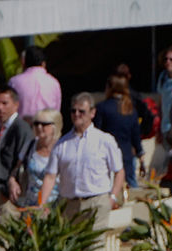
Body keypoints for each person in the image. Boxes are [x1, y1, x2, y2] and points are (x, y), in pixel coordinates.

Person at [39, 93, 125, 230]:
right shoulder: (62, 144)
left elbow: (119, 171)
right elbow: (50, 176)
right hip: (69, 205)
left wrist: (113, 197)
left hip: (96, 203)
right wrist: (42, 204)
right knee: (74, 249)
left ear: (92, 113)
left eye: (81, 111)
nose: (76, 114)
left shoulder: (105, 140)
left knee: (95, 249)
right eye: (73, 111)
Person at [94, 74, 144, 188]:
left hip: (106, 156)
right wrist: (140, 153)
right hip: (126, 154)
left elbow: (97, 132)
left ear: (109, 88)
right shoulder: (130, 109)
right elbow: (136, 136)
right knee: (131, 187)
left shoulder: (102, 107)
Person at [12, 109, 62, 208]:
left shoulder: (62, 147)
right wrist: (12, 182)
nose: (39, 127)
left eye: (44, 124)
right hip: (30, 205)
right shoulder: (30, 145)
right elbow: (16, 170)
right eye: (36, 124)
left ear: (55, 126)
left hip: (56, 206)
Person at [8, 45, 61, 120]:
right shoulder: (54, 82)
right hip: (48, 127)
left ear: (23, 62)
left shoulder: (14, 82)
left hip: (23, 128)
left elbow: (9, 110)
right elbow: (56, 112)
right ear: (43, 63)